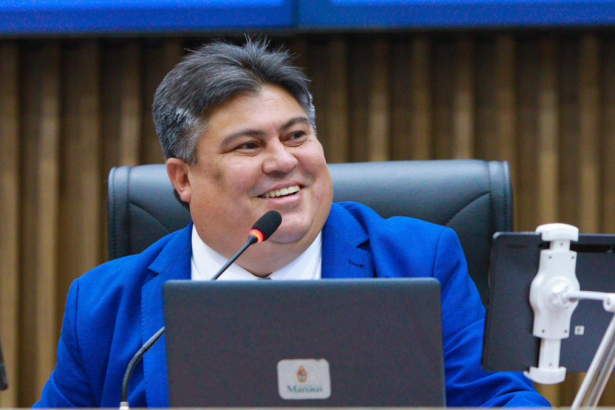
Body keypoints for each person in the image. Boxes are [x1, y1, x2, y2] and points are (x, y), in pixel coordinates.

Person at [35, 39, 550, 408]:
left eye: (297, 136)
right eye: (249, 145)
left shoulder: (418, 260)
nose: (284, 161)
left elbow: (500, 398)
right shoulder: (102, 304)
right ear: (183, 179)